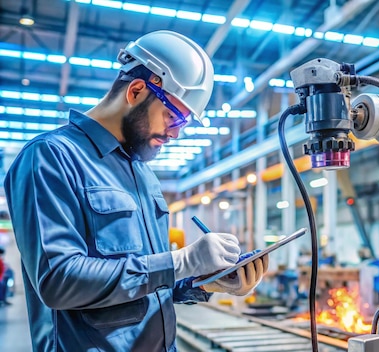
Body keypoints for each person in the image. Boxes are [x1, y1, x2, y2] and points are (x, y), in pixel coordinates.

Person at [4, 30, 268, 351]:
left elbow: (146, 283)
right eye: (173, 116)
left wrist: (203, 281)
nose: (175, 134)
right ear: (137, 90)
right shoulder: (50, 158)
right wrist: (179, 262)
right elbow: (59, 281)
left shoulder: (143, 173)